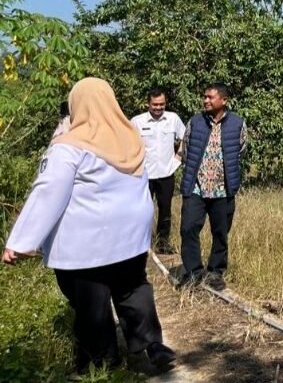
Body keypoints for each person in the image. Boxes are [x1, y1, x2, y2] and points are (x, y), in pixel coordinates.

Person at [2, 78, 176, 374]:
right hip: (130, 240)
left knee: (92, 303)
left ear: (76, 104)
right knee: (133, 290)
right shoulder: (131, 138)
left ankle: (102, 362)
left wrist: (20, 242)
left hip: (85, 245)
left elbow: (48, 193)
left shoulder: (68, 146)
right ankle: (152, 346)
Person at [177, 83, 246, 291]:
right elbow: (186, 149)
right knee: (188, 228)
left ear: (224, 100)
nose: (205, 100)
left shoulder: (238, 123)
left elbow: (241, 149)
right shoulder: (195, 121)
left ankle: (215, 272)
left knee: (220, 232)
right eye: (204, 96)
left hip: (222, 189)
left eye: (210, 97)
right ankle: (193, 273)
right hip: (196, 187)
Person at [131, 89, 186, 254]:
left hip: (166, 173)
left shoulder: (173, 119)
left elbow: (185, 137)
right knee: (142, 210)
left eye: (162, 104)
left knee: (165, 209)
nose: (158, 107)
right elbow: (129, 145)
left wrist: (178, 158)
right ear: (148, 104)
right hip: (144, 175)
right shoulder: (137, 121)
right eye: (155, 104)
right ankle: (140, 243)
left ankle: (162, 244)